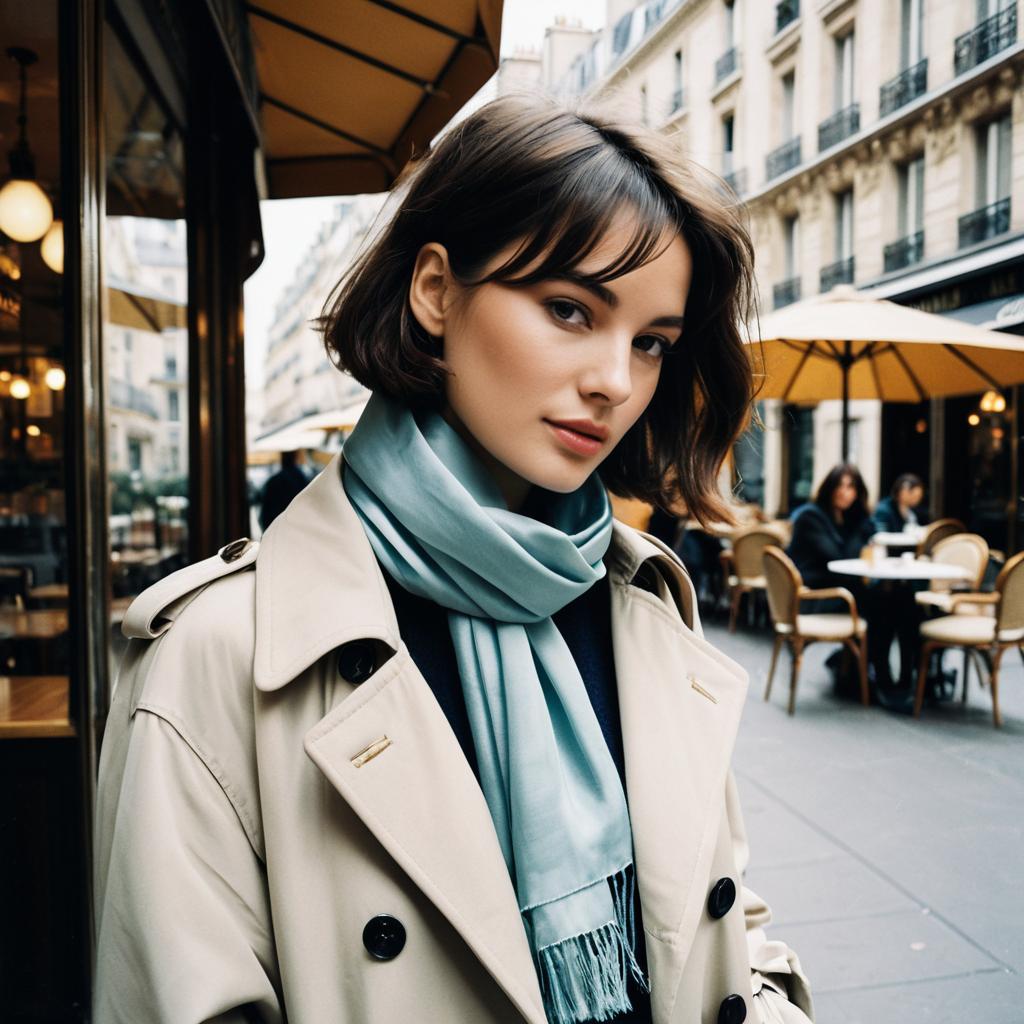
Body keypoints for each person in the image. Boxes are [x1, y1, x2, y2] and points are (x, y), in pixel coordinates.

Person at [92, 96, 813, 1024]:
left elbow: (715, 922)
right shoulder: (224, 651)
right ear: (436, 291)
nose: (615, 380)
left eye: (651, 344)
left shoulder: (639, 599)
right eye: (568, 309)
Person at [786, 463, 875, 599]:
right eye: (839, 485)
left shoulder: (844, 519)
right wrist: (861, 527)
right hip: (812, 596)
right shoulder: (811, 517)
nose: (844, 492)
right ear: (830, 487)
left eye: (850, 487)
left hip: (838, 590)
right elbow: (839, 560)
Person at [258, 449, 310, 531]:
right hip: (298, 531)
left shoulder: (273, 481)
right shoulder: (304, 480)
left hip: (277, 531)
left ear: (282, 457)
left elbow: (264, 517)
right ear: (295, 457)